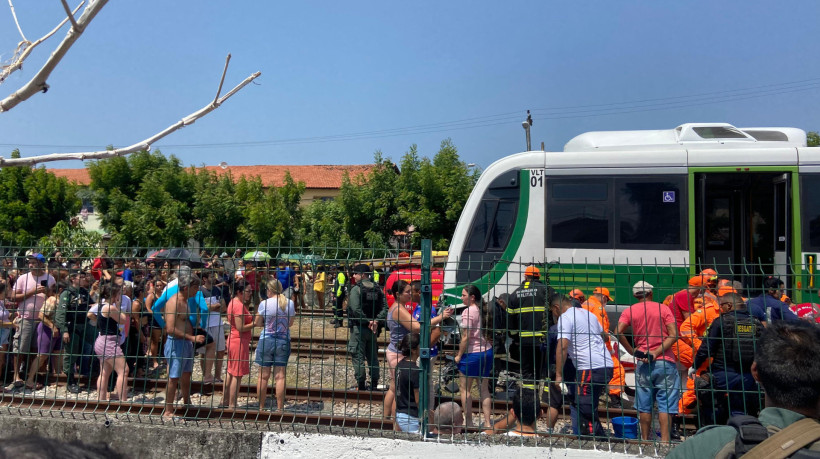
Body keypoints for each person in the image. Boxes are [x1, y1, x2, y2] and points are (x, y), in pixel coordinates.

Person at [667, 321, 820, 458]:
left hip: (721, 373)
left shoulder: (710, 445)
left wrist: (696, 363)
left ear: (757, 372)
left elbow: (707, 345)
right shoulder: (754, 321)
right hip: (740, 377)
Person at [615, 281, 680, 442]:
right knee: (666, 405)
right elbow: (674, 335)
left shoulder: (630, 311)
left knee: (644, 405)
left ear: (635, 296)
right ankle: (665, 441)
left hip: (643, 362)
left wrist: (632, 351)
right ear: (651, 293)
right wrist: (657, 351)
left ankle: (645, 440)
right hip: (665, 362)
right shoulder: (663, 308)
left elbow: (617, 332)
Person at [693, 292, 763, 423]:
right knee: (740, 409)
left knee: (713, 406)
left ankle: (716, 431)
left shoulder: (721, 322)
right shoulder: (756, 323)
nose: (721, 309)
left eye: (722, 306)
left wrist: (695, 365)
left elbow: (706, 348)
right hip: (747, 376)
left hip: (722, 373)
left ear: (729, 306)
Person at [554, 294, 613, 437]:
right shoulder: (589, 315)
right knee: (589, 404)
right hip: (607, 365)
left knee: (583, 405)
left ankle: (591, 438)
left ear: (556, 308)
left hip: (589, 367)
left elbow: (562, 346)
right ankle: (598, 436)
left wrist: (558, 375)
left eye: (552, 311)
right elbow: (604, 335)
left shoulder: (566, 317)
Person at [162, 268, 204, 421]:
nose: (197, 290)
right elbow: (171, 329)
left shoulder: (185, 301)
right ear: (186, 288)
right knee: (173, 377)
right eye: (195, 288)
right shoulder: (173, 302)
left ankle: (187, 402)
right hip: (176, 344)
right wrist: (192, 338)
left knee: (186, 375)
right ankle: (168, 410)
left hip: (185, 343)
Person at [10, 253, 56, 389]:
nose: (31, 265)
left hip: (44, 319)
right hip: (26, 318)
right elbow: (13, 297)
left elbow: (54, 296)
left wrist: (48, 292)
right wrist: (32, 292)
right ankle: (16, 376)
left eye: (34, 262)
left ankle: (31, 377)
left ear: (42, 264)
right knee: (21, 348)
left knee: (37, 349)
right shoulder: (23, 278)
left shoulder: (50, 278)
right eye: (29, 262)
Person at [506, 265, 554, 393]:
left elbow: (510, 320)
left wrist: (515, 336)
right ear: (538, 277)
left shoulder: (514, 294)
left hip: (524, 341)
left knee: (528, 372)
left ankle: (529, 397)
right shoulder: (547, 290)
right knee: (545, 370)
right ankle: (546, 399)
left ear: (526, 277)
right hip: (543, 340)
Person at [253, 278, 295, 411]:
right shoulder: (290, 303)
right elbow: (290, 323)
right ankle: (280, 408)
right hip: (283, 340)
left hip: (266, 339)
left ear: (270, 290)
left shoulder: (264, 304)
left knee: (263, 376)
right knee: (280, 376)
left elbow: (258, 322)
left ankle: (261, 407)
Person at [455, 284, 493, 429]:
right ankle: (488, 423)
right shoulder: (482, 310)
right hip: (486, 351)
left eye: (464, 295)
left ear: (472, 297)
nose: (461, 298)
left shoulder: (468, 311)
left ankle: (469, 421)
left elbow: (466, 336)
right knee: (484, 389)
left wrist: (459, 355)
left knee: (465, 389)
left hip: (472, 353)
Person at [581, 286, 626, 408]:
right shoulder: (597, 307)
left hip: (586, 345)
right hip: (599, 346)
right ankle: (615, 401)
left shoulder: (586, 304)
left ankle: (592, 395)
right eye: (607, 300)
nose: (607, 302)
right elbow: (601, 331)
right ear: (603, 297)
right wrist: (608, 344)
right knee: (617, 370)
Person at [347, 264, 388, 393]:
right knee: (373, 357)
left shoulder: (356, 289)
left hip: (359, 328)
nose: (353, 276)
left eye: (355, 273)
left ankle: (361, 384)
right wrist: (376, 321)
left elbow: (356, 309)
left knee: (358, 356)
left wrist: (367, 320)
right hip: (373, 329)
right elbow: (385, 308)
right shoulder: (378, 289)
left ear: (362, 274)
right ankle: (374, 383)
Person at [56, 271, 93, 393]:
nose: (84, 279)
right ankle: (70, 381)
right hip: (72, 327)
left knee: (96, 346)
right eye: (81, 277)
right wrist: (64, 330)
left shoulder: (84, 292)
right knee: (71, 353)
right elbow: (61, 314)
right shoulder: (67, 294)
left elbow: (92, 305)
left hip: (85, 325)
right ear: (73, 279)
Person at [92, 282, 130, 402]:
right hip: (109, 342)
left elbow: (90, 315)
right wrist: (118, 306)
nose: (120, 296)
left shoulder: (100, 306)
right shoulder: (110, 307)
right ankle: (122, 400)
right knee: (124, 370)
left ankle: (101, 399)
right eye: (118, 293)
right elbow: (123, 320)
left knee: (104, 372)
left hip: (102, 341)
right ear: (113, 294)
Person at [221, 279, 254, 409]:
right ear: (239, 292)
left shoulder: (234, 302)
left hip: (234, 339)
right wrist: (255, 323)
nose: (250, 293)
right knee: (237, 374)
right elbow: (240, 327)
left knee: (230, 371)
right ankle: (232, 404)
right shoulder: (238, 305)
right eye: (248, 291)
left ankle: (225, 400)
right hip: (238, 341)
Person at [196, 271, 226, 384]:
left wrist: (210, 307)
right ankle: (206, 376)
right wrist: (215, 306)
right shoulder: (199, 291)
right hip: (205, 325)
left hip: (217, 323)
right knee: (203, 352)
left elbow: (223, 307)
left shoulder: (217, 290)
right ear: (204, 278)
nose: (214, 277)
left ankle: (217, 376)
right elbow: (202, 308)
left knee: (220, 351)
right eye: (212, 276)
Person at [395, 333, 422, 433]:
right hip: (411, 417)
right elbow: (418, 400)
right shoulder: (415, 371)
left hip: (400, 413)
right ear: (413, 350)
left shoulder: (400, 364)